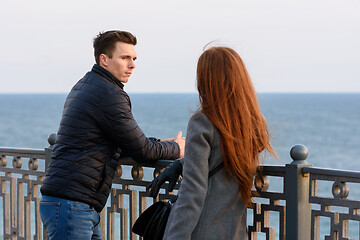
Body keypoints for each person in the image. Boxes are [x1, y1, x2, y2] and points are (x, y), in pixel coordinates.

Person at [39, 30, 185, 240]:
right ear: (104, 59)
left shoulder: (85, 86)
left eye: (134, 59)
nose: (132, 65)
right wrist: (178, 149)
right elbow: (142, 151)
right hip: (72, 205)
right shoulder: (109, 94)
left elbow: (123, 140)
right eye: (125, 58)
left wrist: (162, 143)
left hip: (73, 202)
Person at [147, 46, 277, 239]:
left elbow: (193, 192)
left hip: (201, 231)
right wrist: (183, 162)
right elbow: (227, 156)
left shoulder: (203, 122)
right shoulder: (254, 123)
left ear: (207, 82)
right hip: (234, 231)